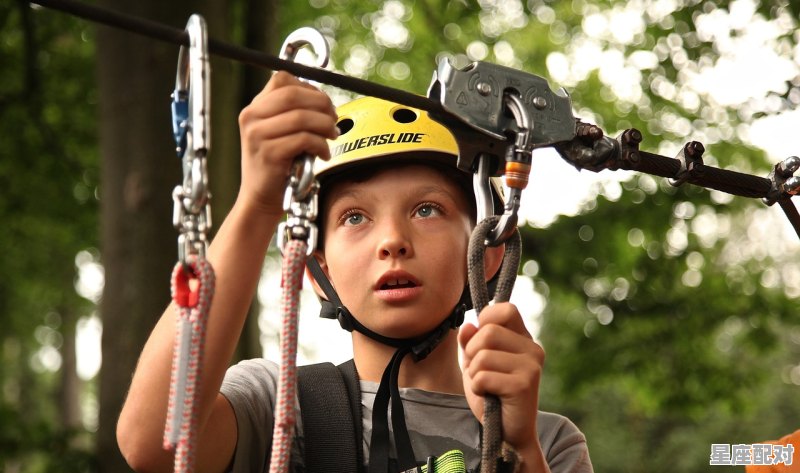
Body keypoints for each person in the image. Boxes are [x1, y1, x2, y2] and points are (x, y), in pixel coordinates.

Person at [116, 71, 593, 473]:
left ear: (486, 254)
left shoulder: (551, 442)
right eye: (355, 218)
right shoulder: (281, 407)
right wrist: (257, 204)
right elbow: (155, 443)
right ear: (316, 270)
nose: (392, 241)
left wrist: (518, 450)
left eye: (427, 210)